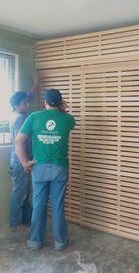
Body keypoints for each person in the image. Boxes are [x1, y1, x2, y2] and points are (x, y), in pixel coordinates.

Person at [15, 88, 75, 251]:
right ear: (61, 102)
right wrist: (61, 109)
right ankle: (60, 242)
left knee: (39, 205)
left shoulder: (34, 117)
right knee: (57, 206)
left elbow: (18, 141)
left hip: (39, 168)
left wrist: (24, 163)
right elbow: (68, 120)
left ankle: (35, 241)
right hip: (59, 168)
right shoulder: (68, 119)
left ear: (45, 102)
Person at [8, 75, 38, 231]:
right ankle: (14, 223)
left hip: (20, 160)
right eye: (25, 103)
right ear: (18, 105)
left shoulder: (17, 113)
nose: (27, 104)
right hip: (20, 160)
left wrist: (35, 85)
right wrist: (25, 162)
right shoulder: (20, 119)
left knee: (25, 191)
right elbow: (20, 143)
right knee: (19, 192)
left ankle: (26, 219)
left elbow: (27, 97)